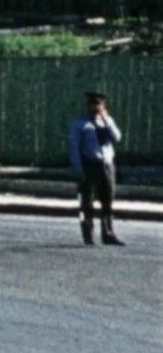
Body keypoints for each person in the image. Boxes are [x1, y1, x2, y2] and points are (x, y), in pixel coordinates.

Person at [70, 91, 123, 246]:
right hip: (90, 164)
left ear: (103, 106)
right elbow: (74, 147)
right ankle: (88, 233)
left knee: (108, 200)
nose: (95, 107)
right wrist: (77, 169)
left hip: (106, 165)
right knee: (87, 201)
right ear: (88, 106)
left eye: (98, 104)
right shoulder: (80, 124)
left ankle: (108, 233)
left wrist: (106, 120)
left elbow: (117, 137)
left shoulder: (107, 122)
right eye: (93, 104)